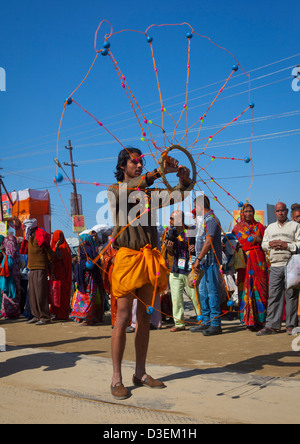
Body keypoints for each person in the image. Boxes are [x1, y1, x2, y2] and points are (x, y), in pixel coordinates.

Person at [108, 146, 192, 400]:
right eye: (135, 162)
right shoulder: (115, 191)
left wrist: (183, 179)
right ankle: (116, 379)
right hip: (126, 258)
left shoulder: (149, 193)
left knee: (144, 317)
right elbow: (134, 184)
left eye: (141, 162)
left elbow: (176, 196)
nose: (139, 165)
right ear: (123, 166)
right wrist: (159, 171)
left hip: (148, 259)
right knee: (122, 318)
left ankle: (140, 373)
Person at [257, 202, 300, 336]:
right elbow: (264, 245)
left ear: (287, 211)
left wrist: (286, 245)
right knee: (274, 296)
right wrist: (271, 244)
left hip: (291, 264)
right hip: (275, 265)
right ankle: (272, 326)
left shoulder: (295, 226)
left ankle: (290, 325)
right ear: (275, 213)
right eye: (277, 211)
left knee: (291, 295)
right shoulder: (270, 228)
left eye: (282, 210)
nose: (280, 213)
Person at [232, 204, 269, 331]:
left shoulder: (260, 227)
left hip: (259, 262)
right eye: (246, 211)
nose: (248, 213)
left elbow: (266, 243)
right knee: (245, 291)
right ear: (242, 213)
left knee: (262, 291)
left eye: (250, 211)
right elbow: (237, 244)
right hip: (245, 263)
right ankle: (249, 321)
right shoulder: (237, 228)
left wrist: (259, 239)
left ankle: (262, 320)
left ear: (254, 213)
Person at [190, 195, 222, 335]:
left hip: (210, 261)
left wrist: (198, 258)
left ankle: (215, 323)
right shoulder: (202, 221)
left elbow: (209, 242)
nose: (194, 209)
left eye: (196, 206)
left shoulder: (211, 219)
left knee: (212, 292)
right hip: (202, 263)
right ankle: (206, 321)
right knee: (203, 293)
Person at [165, 210, 201, 331]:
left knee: (195, 297)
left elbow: (198, 246)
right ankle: (179, 324)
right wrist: (169, 249)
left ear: (179, 219)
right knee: (176, 298)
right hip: (176, 268)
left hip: (190, 268)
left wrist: (194, 248)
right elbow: (169, 253)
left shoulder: (191, 230)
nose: (170, 221)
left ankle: (201, 320)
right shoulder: (170, 232)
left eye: (171, 218)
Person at [21, 219, 54, 325]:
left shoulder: (40, 235)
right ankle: (36, 315)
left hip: (41, 268)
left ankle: (45, 317)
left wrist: (51, 265)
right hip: (32, 268)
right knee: (33, 294)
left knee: (41, 294)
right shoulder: (29, 237)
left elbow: (48, 251)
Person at [70, 233, 104, 325]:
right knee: (89, 298)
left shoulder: (86, 250)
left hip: (87, 280)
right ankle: (90, 317)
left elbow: (90, 264)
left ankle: (87, 318)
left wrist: (86, 264)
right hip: (89, 279)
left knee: (86, 298)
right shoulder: (90, 251)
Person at [50, 230, 72, 320]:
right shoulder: (53, 246)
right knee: (55, 294)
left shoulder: (64, 247)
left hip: (62, 275)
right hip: (56, 274)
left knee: (62, 294)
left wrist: (57, 246)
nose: (59, 238)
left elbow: (58, 256)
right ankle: (56, 313)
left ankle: (62, 314)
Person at [0, 235, 21, 318]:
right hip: (15, 274)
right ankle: (14, 311)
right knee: (13, 292)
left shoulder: (8, 256)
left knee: (9, 293)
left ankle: (8, 312)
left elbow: (8, 265)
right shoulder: (16, 252)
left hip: (9, 275)